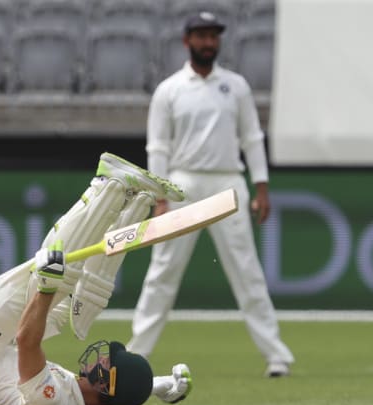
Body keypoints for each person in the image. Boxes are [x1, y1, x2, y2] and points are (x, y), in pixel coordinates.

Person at [0, 152, 193, 405]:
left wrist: (46, 287)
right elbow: (119, 400)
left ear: (107, 385)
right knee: (78, 303)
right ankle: (135, 202)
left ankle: (108, 184)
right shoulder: (92, 402)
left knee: (52, 276)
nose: (99, 361)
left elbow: (27, 341)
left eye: (105, 365)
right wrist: (159, 386)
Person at [125, 12, 295, 378]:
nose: (208, 43)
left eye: (213, 36)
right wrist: (160, 196)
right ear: (187, 41)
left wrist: (261, 186)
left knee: (246, 269)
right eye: (201, 36)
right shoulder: (170, 90)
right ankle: (137, 354)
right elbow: (158, 146)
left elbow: (251, 137)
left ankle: (276, 355)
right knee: (163, 271)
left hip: (228, 182)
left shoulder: (235, 86)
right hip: (182, 184)